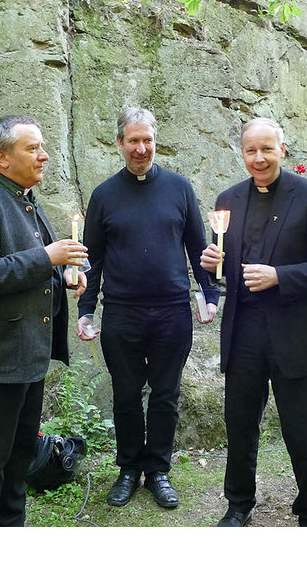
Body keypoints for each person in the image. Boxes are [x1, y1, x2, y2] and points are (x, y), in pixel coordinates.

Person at [0, 114, 89, 527]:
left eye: (42, 147)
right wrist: (48, 257)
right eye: (33, 148)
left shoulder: (25, 200)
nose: (44, 156)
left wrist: (63, 274)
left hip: (27, 355)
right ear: (2, 158)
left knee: (20, 455)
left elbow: (27, 266)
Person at [76, 107, 219, 509]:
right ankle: (128, 469)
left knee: (165, 393)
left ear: (156, 141)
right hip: (122, 313)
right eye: (133, 141)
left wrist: (210, 296)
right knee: (124, 394)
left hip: (172, 311)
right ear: (119, 143)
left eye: (148, 140)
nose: (141, 149)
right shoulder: (104, 195)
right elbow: (94, 259)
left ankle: (158, 470)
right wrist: (87, 310)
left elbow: (198, 250)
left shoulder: (180, 189)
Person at [200, 118, 307, 527]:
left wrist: (281, 276)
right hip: (243, 332)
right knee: (240, 424)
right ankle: (239, 502)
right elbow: (220, 269)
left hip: (294, 333)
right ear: (241, 153)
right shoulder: (228, 199)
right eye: (250, 151)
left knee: (301, 429)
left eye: (266, 149)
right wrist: (210, 266)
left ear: (283, 148)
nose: (258, 159)